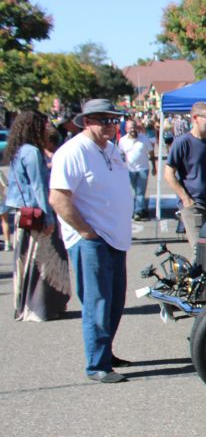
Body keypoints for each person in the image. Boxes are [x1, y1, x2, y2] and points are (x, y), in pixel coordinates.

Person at [48, 99, 134, 383]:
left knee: (114, 300)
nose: (111, 125)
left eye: (113, 120)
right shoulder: (72, 151)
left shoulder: (111, 149)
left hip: (114, 237)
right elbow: (58, 197)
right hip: (92, 238)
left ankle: (105, 351)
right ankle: (97, 364)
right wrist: (86, 231)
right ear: (86, 122)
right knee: (97, 301)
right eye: (103, 120)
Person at [5, 110, 71, 322]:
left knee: (26, 262)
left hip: (21, 214)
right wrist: (49, 218)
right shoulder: (33, 152)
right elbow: (39, 187)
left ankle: (25, 305)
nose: (47, 128)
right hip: (37, 213)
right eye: (44, 125)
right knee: (44, 262)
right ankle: (41, 307)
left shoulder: (17, 150)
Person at [165, 102, 206, 249]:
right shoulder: (182, 143)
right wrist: (185, 199)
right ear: (195, 118)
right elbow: (169, 174)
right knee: (199, 250)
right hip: (194, 206)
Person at [120, 119, 154, 220]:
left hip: (143, 169)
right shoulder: (122, 141)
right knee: (134, 192)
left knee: (140, 192)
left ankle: (138, 212)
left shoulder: (144, 139)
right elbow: (120, 155)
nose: (133, 130)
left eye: (134, 127)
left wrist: (154, 166)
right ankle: (141, 208)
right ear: (126, 129)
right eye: (130, 128)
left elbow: (151, 153)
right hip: (130, 170)